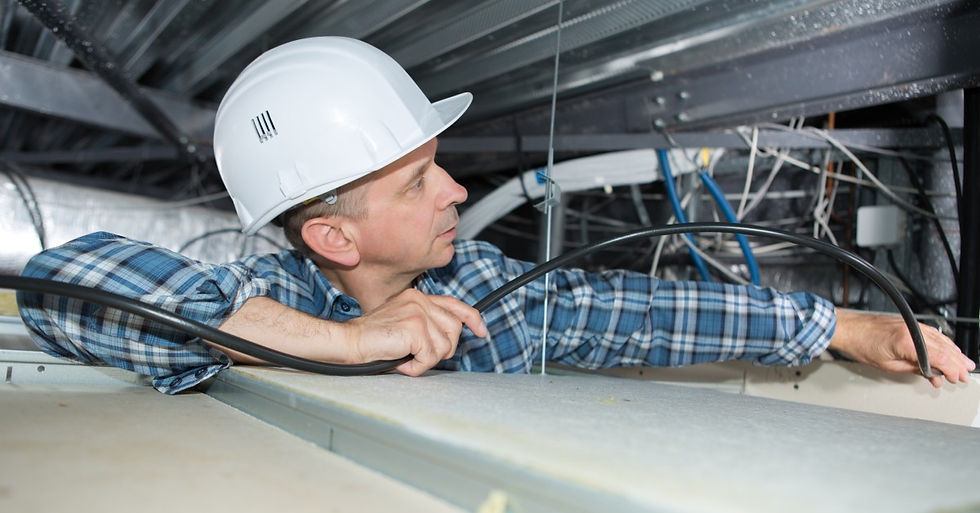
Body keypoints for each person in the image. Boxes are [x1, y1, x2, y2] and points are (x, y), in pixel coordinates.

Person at [16, 37, 973, 394]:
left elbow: (644, 310)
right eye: (417, 180)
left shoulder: (487, 294)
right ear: (332, 238)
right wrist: (341, 345)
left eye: (439, 168)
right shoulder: (264, 288)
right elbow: (68, 281)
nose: (457, 192)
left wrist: (839, 323)